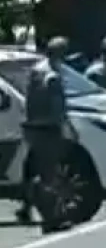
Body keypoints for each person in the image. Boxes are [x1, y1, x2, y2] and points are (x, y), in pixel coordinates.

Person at [18, 36, 72, 233]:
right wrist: (67, 127)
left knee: (37, 172)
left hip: (32, 128)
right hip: (48, 129)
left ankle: (28, 206)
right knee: (49, 176)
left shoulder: (35, 70)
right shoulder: (53, 76)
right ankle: (51, 218)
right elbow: (59, 109)